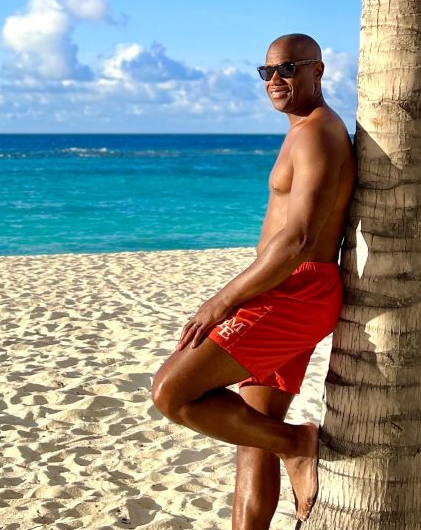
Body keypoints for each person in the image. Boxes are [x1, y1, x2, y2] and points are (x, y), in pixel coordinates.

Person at [151, 33, 356, 528]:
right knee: (252, 434)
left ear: (317, 70)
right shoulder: (303, 130)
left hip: (295, 292)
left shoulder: (317, 133)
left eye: (288, 69)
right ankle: (283, 450)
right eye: (267, 72)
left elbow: (300, 238)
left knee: (171, 392)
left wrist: (221, 301)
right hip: (283, 288)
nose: (275, 80)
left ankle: (298, 443)